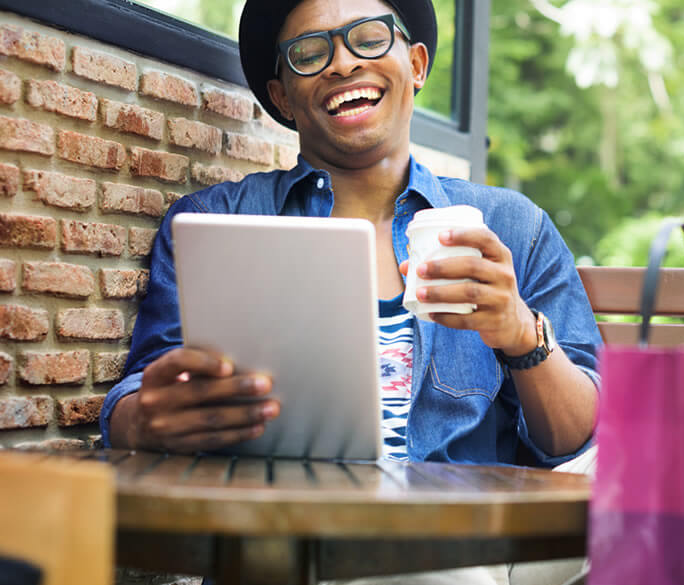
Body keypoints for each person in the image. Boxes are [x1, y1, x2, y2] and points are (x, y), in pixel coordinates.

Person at [100, 0, 601, 472]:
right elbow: (137, 400)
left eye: (368, 38)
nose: (342, 63)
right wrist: (148, 417)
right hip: (280, 537)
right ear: (282, 98)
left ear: (417, 66)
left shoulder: (512, 227)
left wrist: (520, 333)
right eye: (310, 52)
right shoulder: (214, 222)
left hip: (457, 539)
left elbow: (584, 440)